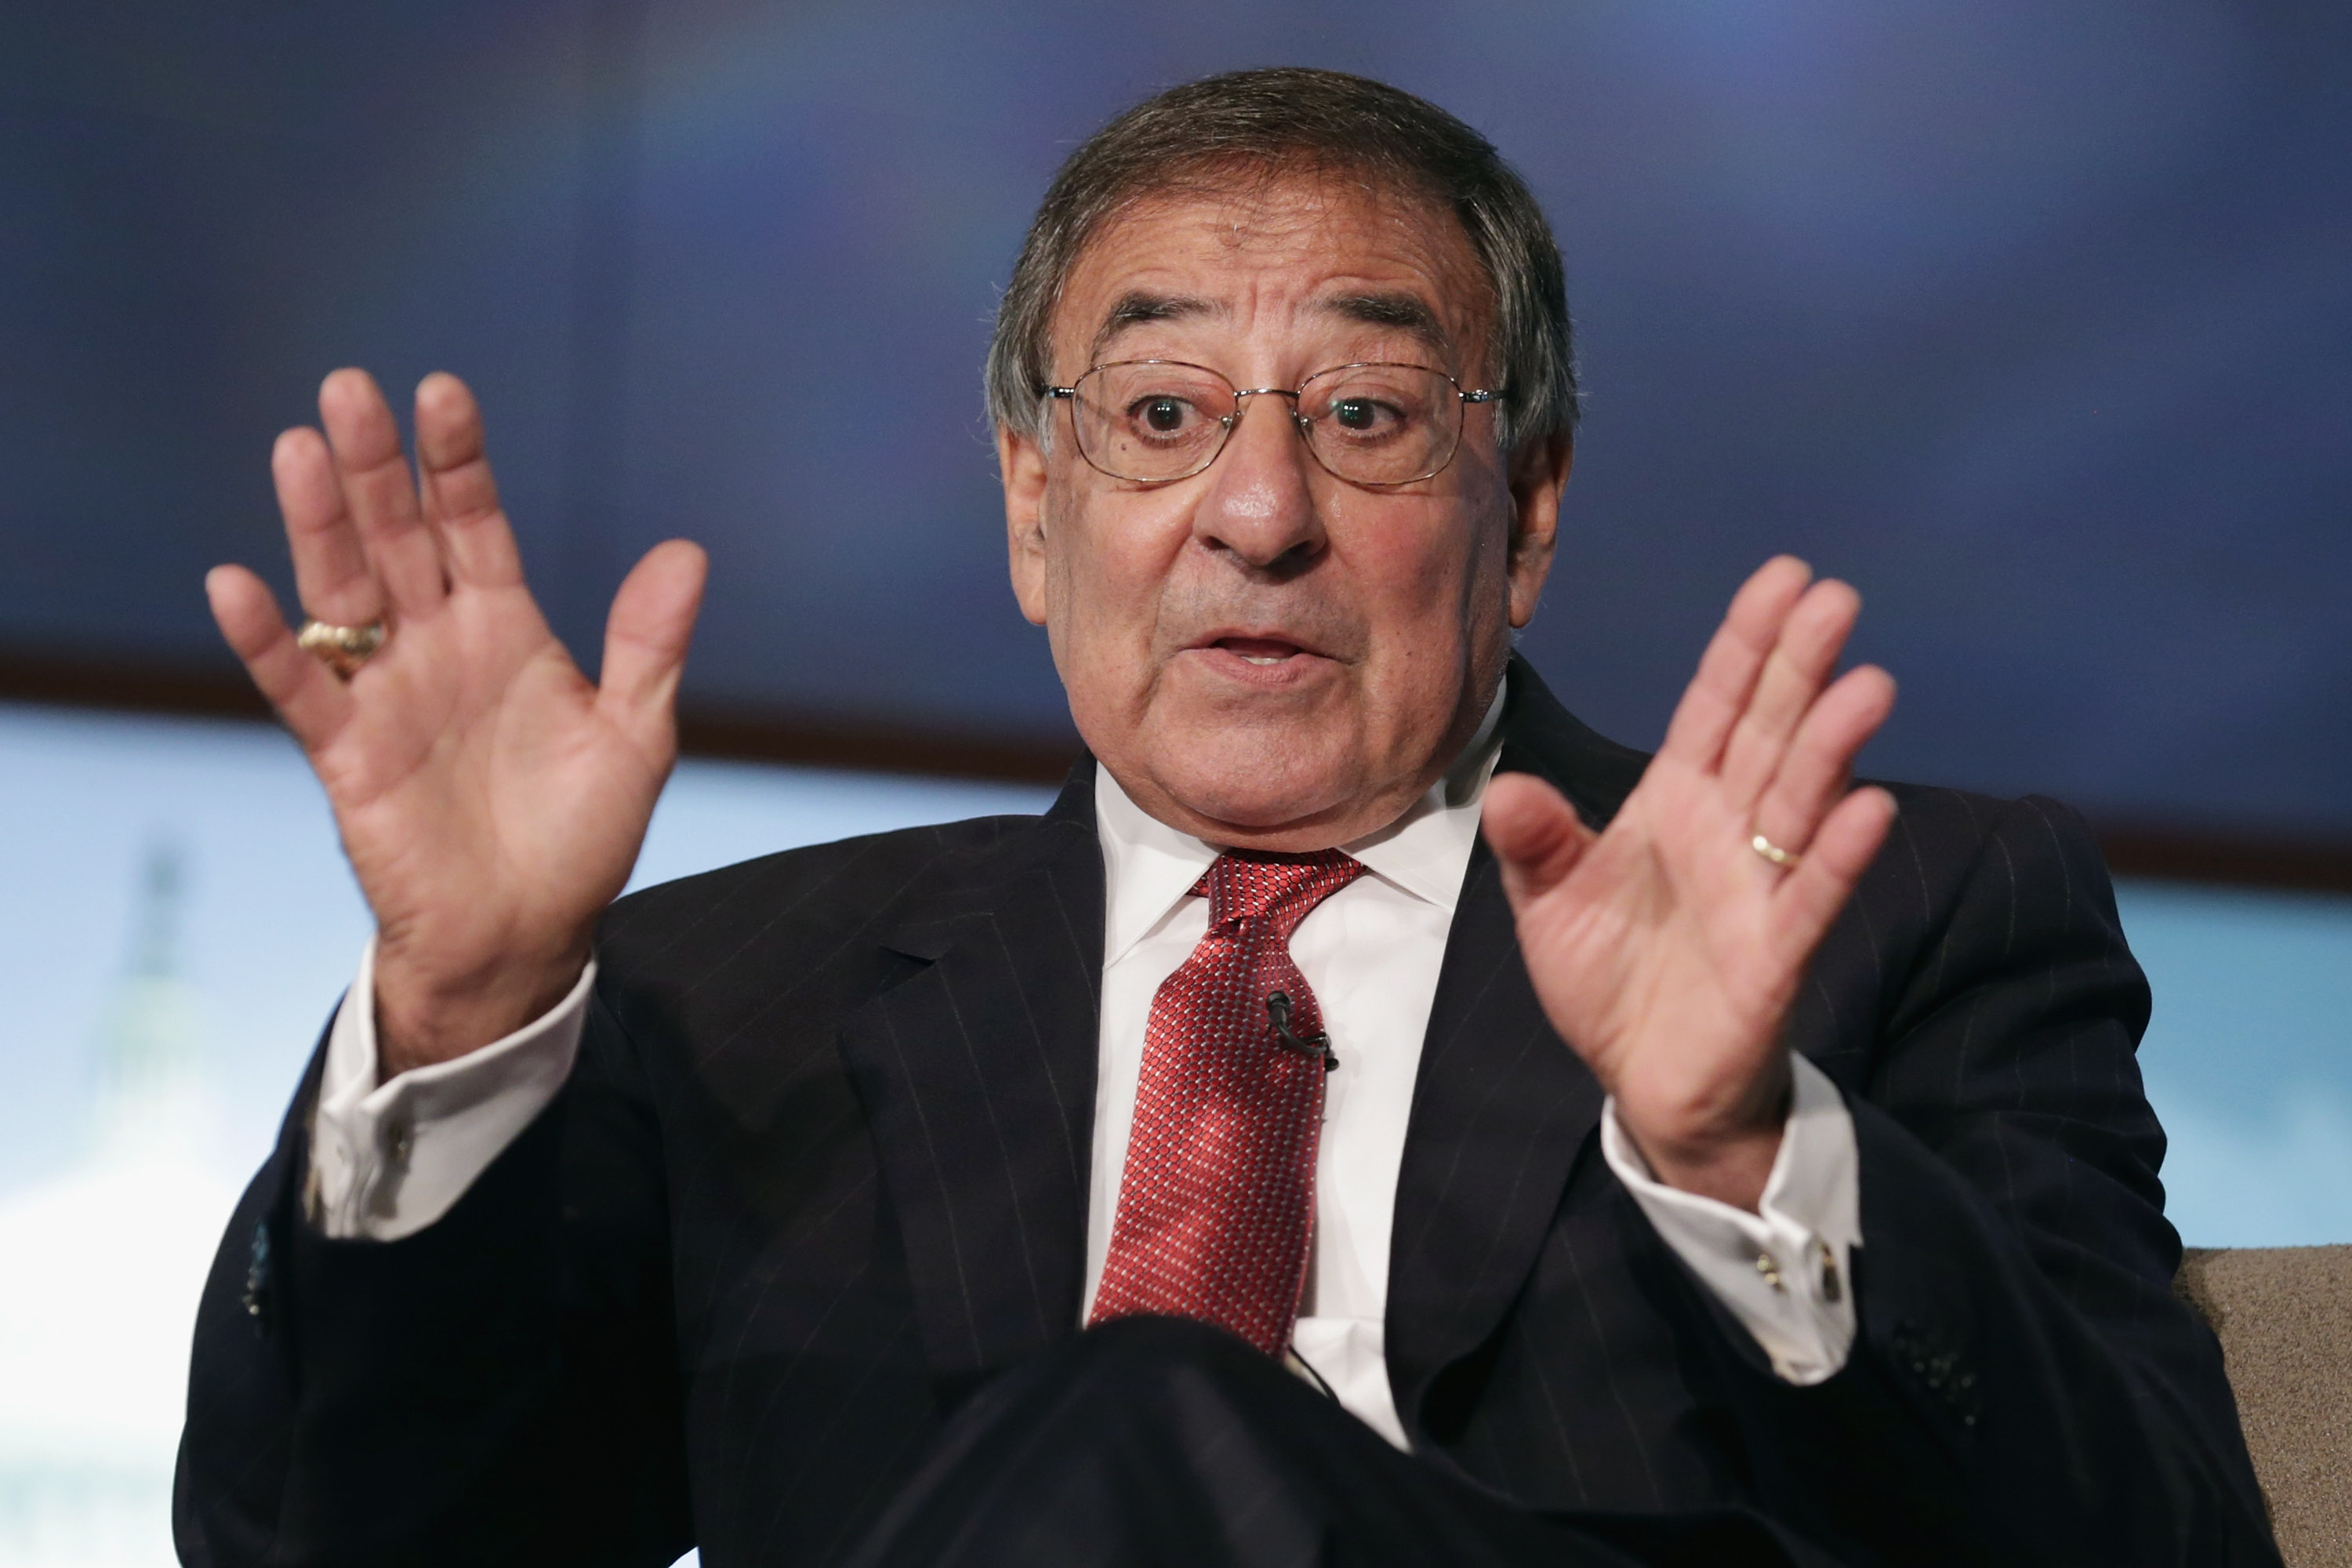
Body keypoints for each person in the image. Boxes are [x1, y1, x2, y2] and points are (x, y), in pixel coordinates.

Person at [176, 68, 2275, 1567]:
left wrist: (1740, 1150)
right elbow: (328, 1543)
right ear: (1035, 508)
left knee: (1156, 1409)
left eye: (1365, 416)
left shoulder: (1891, 913)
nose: (1258, 514)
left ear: (1528, 510)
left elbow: (2158, 1539)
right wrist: (462, 1020)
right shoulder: (719, 1003)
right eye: (1163, 414)